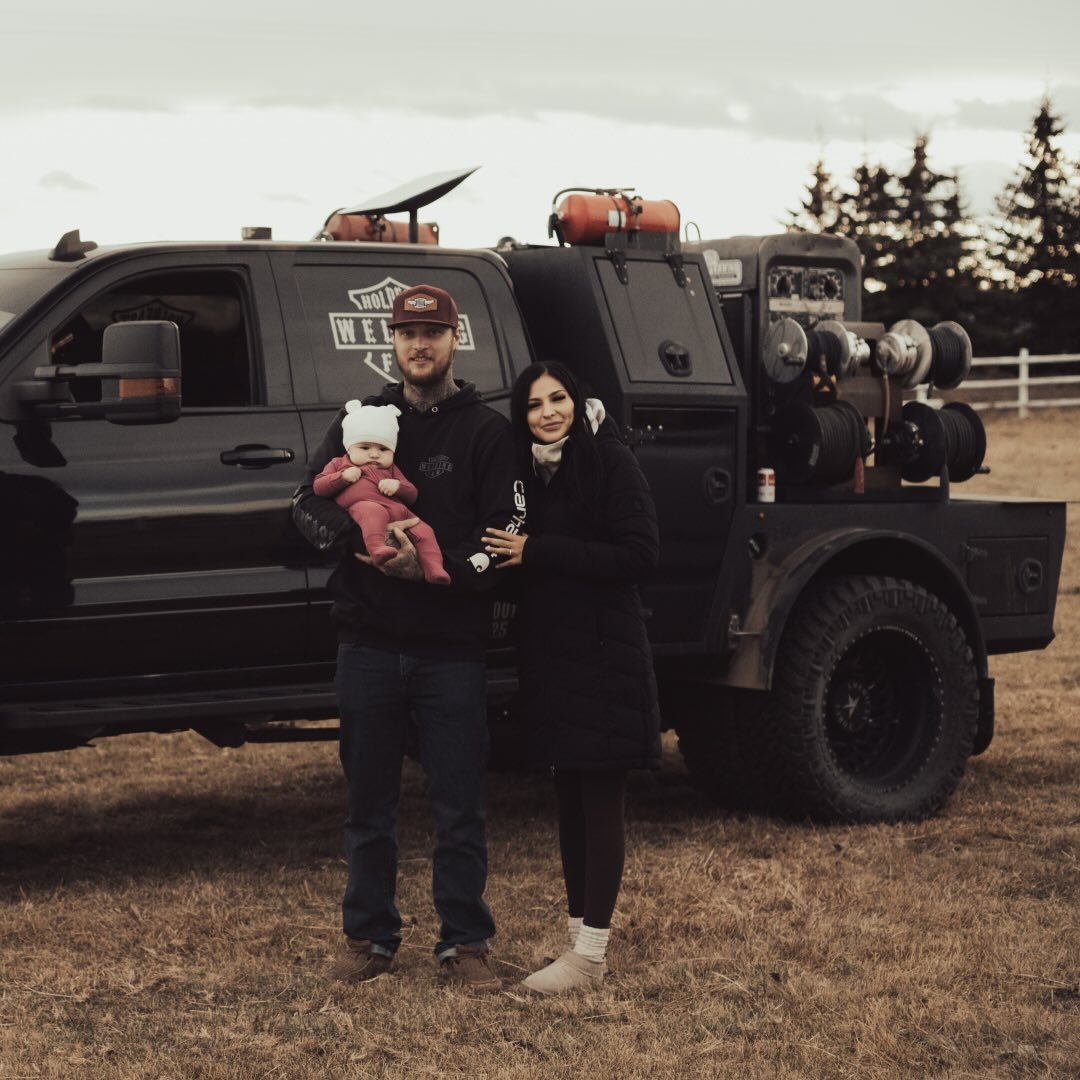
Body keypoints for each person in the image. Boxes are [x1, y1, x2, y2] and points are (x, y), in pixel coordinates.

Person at [292, 284, 525, 993]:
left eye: (433, 332)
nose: (419, 345)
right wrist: (359, 548)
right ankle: (369, 938)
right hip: (367, 642)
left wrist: (431, 569)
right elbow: (305, 504)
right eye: (406, 333)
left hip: (451, 648)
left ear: (456, 339)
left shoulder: (487, 433)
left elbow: (505, 537)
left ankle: (466, 944)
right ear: (391, 342)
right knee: (368, 803)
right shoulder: (359, 418)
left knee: (459, 805)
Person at [483, 360, 661, 995]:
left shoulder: (608, 458)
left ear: (577, 401)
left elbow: (639, 553)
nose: (548, 413)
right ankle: (578, 946)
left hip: (605, 652)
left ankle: (591, 957)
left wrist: (537, 550)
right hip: (555, 657)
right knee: (569, 800)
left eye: (558, 398)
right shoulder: (531, 474)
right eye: (534, 405)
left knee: (599, 800)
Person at [313, 400, 450, 585]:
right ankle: (377, 549)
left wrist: (398, 486)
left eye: (383, 449)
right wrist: (342, 477)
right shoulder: (339, 463)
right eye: (365, 448)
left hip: (399, 511)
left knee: (425, 530)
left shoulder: (391, 469)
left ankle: (434, 568)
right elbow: (319, 487)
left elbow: (412, 494)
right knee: (373, 512)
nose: (375, 454)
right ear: (349, 447)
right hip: (364, 507)